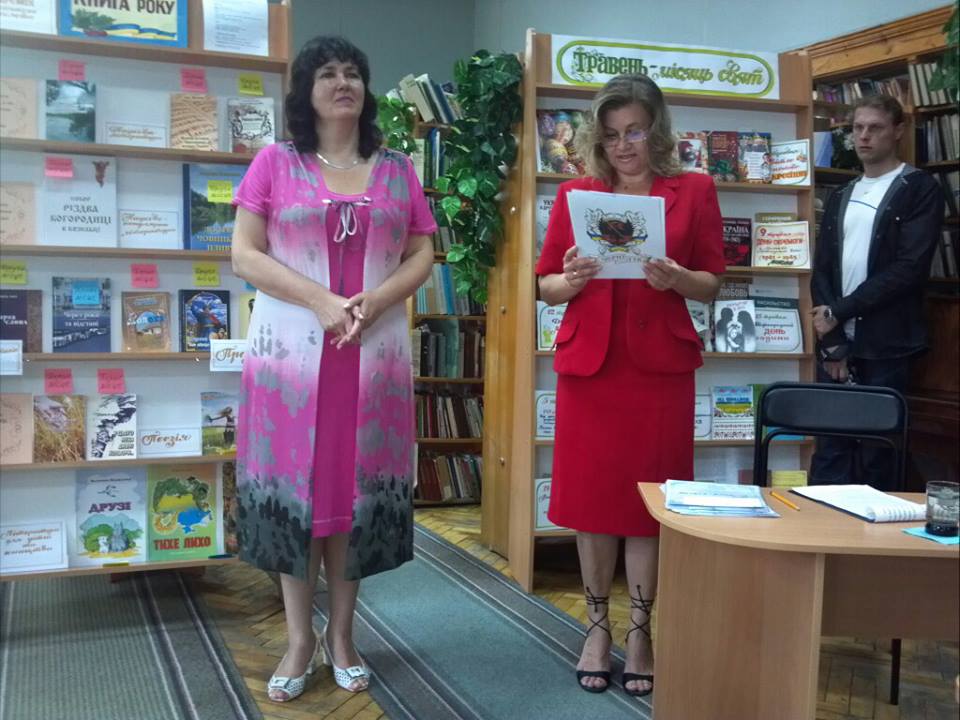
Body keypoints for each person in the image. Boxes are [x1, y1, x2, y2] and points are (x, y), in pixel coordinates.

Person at [229, 36, 436, 702]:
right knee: (298, 502)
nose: (343, 82)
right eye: (327, 73)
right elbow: (244, 254)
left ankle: (343, 636)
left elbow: (422, 252)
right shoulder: (274, 162)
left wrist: (377, 300)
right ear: (305, 91)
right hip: (291, 366)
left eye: (353, 73)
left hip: (371, 362)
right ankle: (298, 639)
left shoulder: (397, 168)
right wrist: (320, 300)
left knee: (353, 502)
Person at [536, 73, 725, 697]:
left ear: (656, 132)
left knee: (649, 506)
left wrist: (678, 279)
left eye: (635, 132)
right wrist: (571, 279)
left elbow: (712, 281)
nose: (623, 145)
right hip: (591, 368)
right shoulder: (576, 195)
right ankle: (597, 628)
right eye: (612, 134)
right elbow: (546, 286)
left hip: (659, 371)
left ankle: (640, 632)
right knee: (592, 503)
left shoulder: (694, 190)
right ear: (598, 139)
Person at [810, 94, 944, 490]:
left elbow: (908, 269)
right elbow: (822, 269)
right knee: (830, 452)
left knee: (878, 453)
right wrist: (833, 341)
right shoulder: (842, 193)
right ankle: (824, 530)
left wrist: (839, 312)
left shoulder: (918, 188)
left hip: (887, 343)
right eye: (857, 128)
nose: (864, 136)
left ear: (898, 131)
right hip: (836, 342)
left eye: (875, 128)